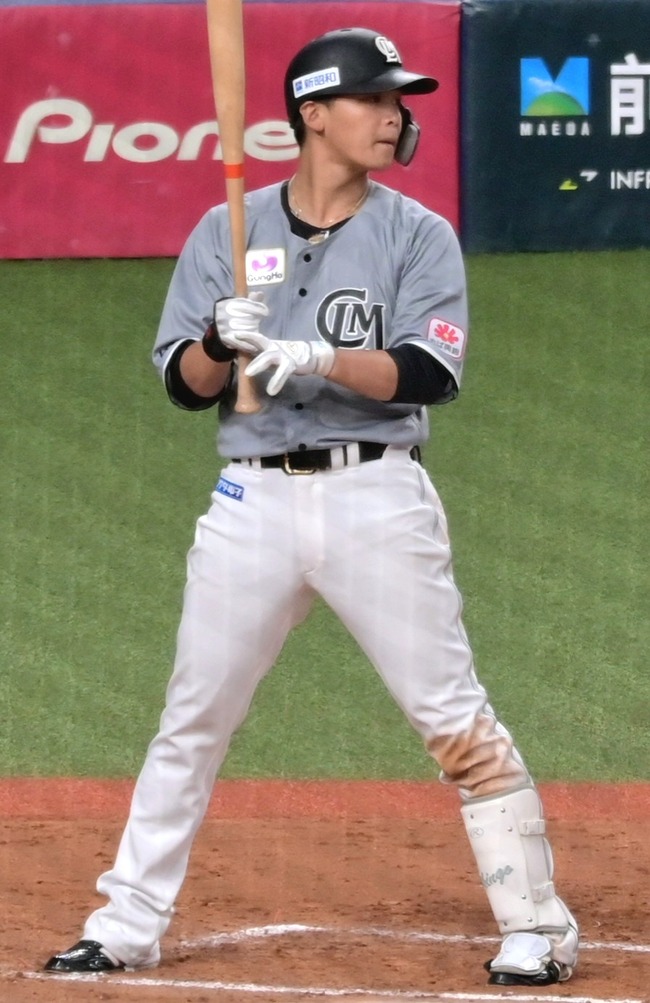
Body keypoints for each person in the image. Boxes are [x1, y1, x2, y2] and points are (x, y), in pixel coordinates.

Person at [44, 27, 579, 987]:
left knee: (453, 719)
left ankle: (538, 925)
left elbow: (430, 370)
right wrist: (219, 342)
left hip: (378, 497)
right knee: (192, 719)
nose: (395, 116)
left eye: (398, 101)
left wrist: (318, 356)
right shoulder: (227, 229)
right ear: (315, 114)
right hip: (249, 503)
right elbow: (182, 384)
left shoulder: (419, 234)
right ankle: (125, 923)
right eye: (376, 99)